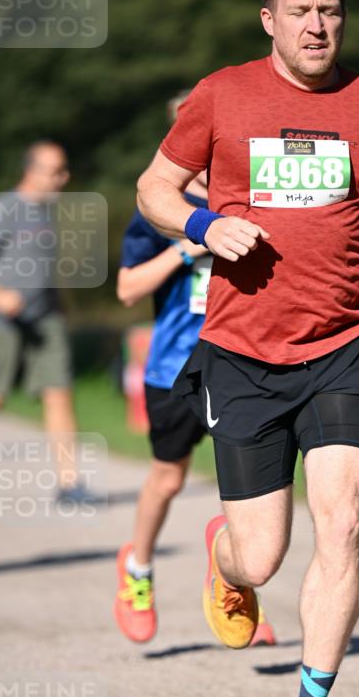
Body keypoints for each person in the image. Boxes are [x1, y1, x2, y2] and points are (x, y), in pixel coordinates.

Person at [137, 0, 359, 697]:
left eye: (330, 11)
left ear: (344, 17)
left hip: (342, 342)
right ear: (269, 19)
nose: (316, 25)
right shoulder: (222, 95)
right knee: (259, 554)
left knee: (340, 522)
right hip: (240, 352)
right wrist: (201, 227)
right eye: (300, 11)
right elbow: (152, 187)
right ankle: (223, 556)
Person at [114, 94, 277, 647]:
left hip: (238, 360)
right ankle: (137, 570)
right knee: (169, 477)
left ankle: (234, 583)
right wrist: (189, 245)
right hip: (173, 367)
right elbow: (127, 289)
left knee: (249, 486)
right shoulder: (160, 206)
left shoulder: (255, 194)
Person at [0, 142, 86, 500]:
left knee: (58, 392)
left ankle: (69, 483)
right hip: (2, 320)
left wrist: (56, 307)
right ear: (31, 171)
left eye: (63, 170)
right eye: (55, 171)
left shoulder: (47, 211)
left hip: (45, 319)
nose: (63, 177)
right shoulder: (6, 207)